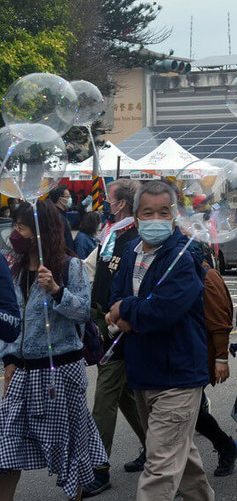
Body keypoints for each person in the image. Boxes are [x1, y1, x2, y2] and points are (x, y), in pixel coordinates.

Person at [107, 180, 215, 501]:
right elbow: (115, 295)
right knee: (183, 459)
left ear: (174, 215)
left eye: (163, 212)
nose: (155, 219)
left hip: (178, 375)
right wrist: (123, 309)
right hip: (143, 372)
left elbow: (162, 311)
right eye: (148, 212)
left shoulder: (182, 257)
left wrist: (126, 311)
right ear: (136, 217)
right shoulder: (130, 251)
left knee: (159, 467)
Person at [0, 201, 106, 500]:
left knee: (71, 451)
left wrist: (57, 290)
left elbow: (84, 312)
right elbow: (10, 319)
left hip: (61, 371)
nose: (15, 233)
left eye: (20, 226)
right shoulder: (15, 270)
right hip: (21, 372)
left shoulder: (70, 266)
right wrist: (8, 358)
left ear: (38, 232)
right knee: (6, 450)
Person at [83, 178, 148, 498]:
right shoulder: (112, 233)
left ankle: (98, 467)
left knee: (105, 397)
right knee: (124, 396)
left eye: (110, 200)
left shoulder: (133, 237)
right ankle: (155, 447)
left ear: (121, 204)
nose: (107, 204)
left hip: (118, 327)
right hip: (102, 321)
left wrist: (113, 320)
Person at [191, 247, 237, 477]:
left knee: (186, 415)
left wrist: (221, 358)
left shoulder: (206, 275)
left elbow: (220, 321)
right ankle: (226, 446)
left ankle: (174, 477)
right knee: (192, 415)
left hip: (197, 355)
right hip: (180, 353)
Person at [47, 184, 76, 249]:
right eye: (68, 196)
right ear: (60, 199)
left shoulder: (60, 214)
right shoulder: (57, 217)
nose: (70, 199)